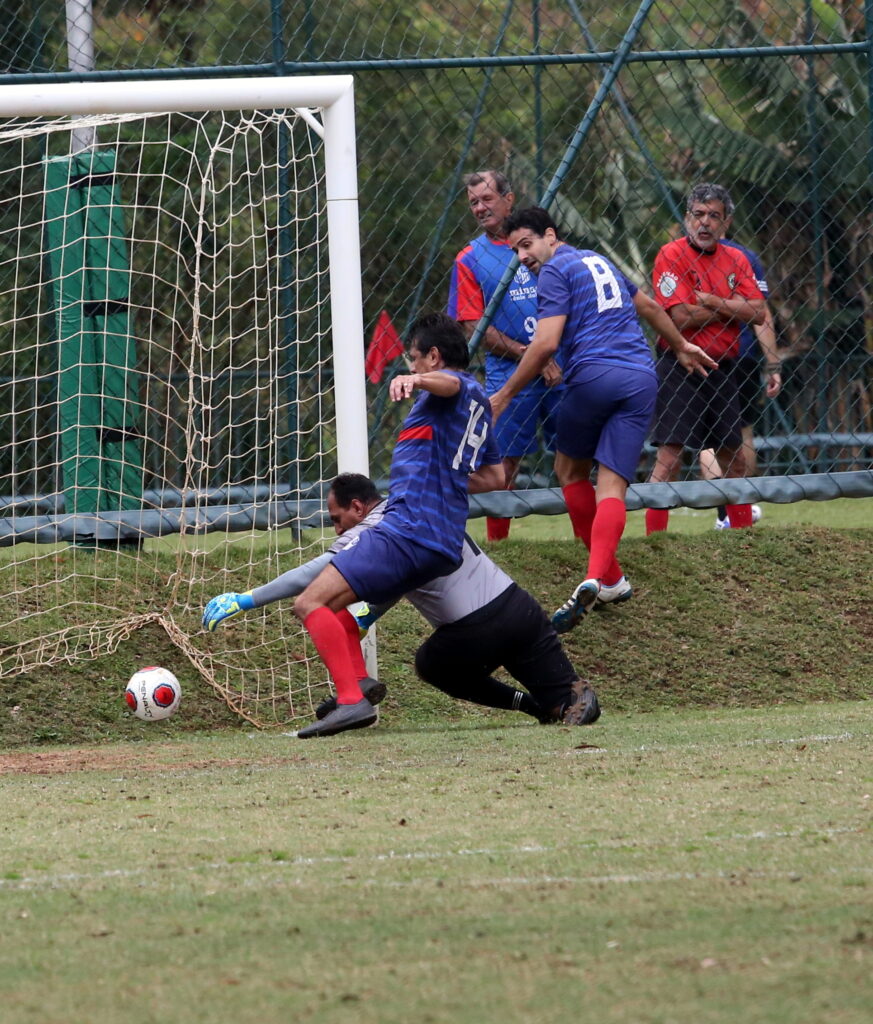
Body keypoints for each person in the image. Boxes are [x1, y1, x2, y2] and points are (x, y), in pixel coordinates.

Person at [203, 473, 601, 727]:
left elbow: (314, 575)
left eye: (337, 519)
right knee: (562, 702)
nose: (337, 529)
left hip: (474, 631)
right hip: (520, 609)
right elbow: (400, 577)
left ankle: (353, 694)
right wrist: (367, 613)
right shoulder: (414, 508)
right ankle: (556, 701)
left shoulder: (380, 528)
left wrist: (248, 598)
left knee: (432, 664)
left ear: (358, 507)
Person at [273, 312, 504, 737]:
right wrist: (443, 474)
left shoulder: (450, 388)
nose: (411, 366)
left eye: (415, 359)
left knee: (310, 603)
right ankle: (357, 681)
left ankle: (351, 701)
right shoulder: (480, 405)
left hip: (409, 530)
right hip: (439, 541)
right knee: (339, 607)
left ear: (433, 357)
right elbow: (495, 478)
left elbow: (450, 382)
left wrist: (416, 382)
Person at [489, 207, 716, 634]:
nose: (521, 257)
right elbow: (647, 305)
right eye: (514, 250)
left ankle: (606, 575)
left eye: (526, 245)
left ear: (550, 236)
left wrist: (502, 395)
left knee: (568, 470)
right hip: (641, 379)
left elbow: (545, 344)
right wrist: (681, 345)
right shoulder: (598, 259)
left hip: (594, 377)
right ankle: (605, 579)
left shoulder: (555, 270)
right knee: (612, 485)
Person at [644, 183, 767, 535]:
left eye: (714, 216)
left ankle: (741, 536)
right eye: (698, 215)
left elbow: (758, 312)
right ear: (687, 218)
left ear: (726, 222)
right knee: (669, 457)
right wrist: (733, 309)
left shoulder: (737, 259)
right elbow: (679, 318)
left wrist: (713, 302)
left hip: (723, 368)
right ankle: (655, 541)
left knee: (734, 457)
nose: (705, 223)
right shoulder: (670, 255)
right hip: (680, 365)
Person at [448, 170, 562, 542]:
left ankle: (585, 542)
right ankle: (502, 549)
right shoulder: (469, 259)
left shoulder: (546, 245)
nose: (480, 208)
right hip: (510, 375)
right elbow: (471, 326)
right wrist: (532, 355)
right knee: (504, 465)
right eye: (473, 203)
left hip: (564, 368)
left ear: (508, 200)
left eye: (487, 199)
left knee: (574, 457)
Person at [698, 238, 782, 528]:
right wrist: (772, 363)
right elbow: (762, 313)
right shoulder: (743, 256)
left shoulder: (681, 255)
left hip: (701, 353)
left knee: (709, 437)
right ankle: (738, 511)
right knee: (741, 430)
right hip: (740, 352)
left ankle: (725, 516)